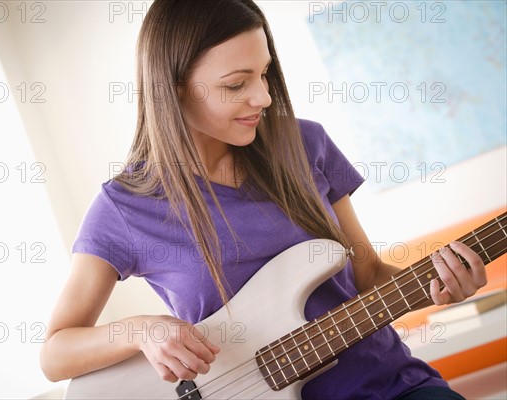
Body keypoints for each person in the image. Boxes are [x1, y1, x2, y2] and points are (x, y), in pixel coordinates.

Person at [39, 1, 488, 398]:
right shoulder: (125, 208)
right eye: (237, 84)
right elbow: (55, 354)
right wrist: (141, 330)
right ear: (173, 88)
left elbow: (367, 271)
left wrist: (440, 287)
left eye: (264, 72)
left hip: (392, 386)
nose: (264, 96)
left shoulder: (307, 144)